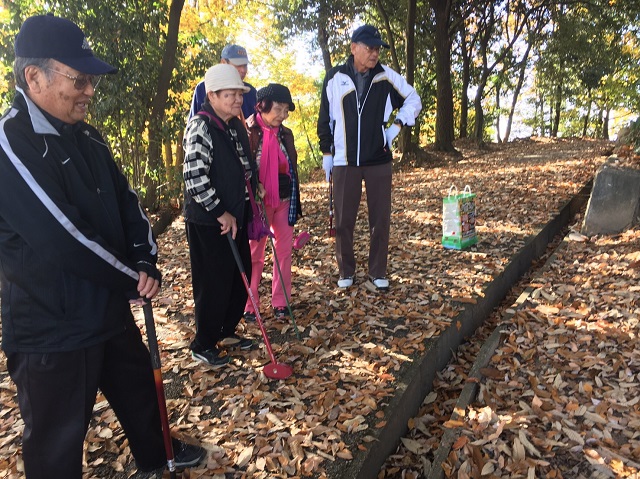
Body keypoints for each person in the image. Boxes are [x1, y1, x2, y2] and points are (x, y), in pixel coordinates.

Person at [0, 14, 205, 479]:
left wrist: (144, 257)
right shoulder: (11, 142)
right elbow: (61, 236)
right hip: (50, 324)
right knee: (55, 440)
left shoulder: (88, 136)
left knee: (137, 389)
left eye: (90, 79)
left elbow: (126, 202)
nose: (89, 91)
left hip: (106, 306)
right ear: (34, 77)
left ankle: (158, 452)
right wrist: (131, 278)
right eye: (80, 79)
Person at [317, 24, 422, 292]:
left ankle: (377, 271)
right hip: (344, 160)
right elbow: (324, 119)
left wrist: (396, 126)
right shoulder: (334, 77)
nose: (375, 53)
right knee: (343, 221)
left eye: (377, 49)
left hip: (378, 159)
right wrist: (327, 153)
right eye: (370, 48)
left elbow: (413, 99)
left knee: (380, 218)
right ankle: (346, 270)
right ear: (354, 48)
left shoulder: (386, 77)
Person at [183, 63, 259, 366]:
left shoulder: (232, 124)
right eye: (231, 95)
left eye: (240, 95)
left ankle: (228, 330)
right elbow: (195, 176)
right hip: (209, 221)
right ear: (212, 95)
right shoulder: (201, 126)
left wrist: (254, 189)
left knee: (238, 277)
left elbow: (242, 165)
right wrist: (220, 212)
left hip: (236, 216)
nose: (238, 101)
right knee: (213, 282)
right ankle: (203, 342)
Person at [243, 84, 303, 321]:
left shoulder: (285, 134)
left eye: (286, 110)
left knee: (284, 251)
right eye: (278, 109)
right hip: (259, 201)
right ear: (263, 106)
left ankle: (281, 301)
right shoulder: (248, 130)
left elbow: (292, 167)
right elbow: (242, 167)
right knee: (255, 253)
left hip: (285, 198)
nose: (282, 115)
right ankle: (250, 303)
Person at [188, 44, 258, 120]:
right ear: (223, 62)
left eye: (245, 66)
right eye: (239, 65)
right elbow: (193, 123)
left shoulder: (250, 91)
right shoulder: (203, 87)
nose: (243, 70)